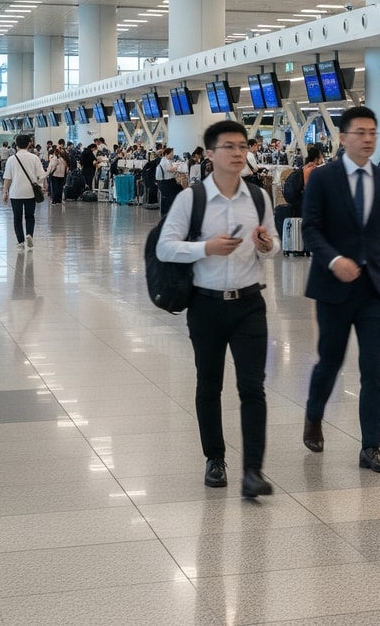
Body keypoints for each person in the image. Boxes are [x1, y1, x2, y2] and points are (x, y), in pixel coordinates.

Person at [156, 120, 278, 497]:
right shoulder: (190, 199)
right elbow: (164, 247)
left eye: (242, 146)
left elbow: (273, 247)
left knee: (252, 387)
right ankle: (215, 457)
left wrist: (264, 244)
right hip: (206, 305)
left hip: (249, 305)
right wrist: (204, 248)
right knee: (209, 385)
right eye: (229, 146)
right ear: (210, 154)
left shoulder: (258, 197)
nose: (238, 153)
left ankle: (253, 470)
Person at [300, 105, 380, 474]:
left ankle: (371, 447)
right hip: (333, 286)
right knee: (330, 360)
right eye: (360, 132)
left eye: (372, 132)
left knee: (374, 368)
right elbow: (310, 228)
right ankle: (314, 413)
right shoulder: (323, 178)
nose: (368, 139)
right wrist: (333, 260)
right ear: (343, 138)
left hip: (375, 288)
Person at [2, 135, 44, 250]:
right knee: (30, 216)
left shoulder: (11, 159)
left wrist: (5, 192)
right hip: (30, 192)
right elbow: (42, 175)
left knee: (17, 217)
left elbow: (7, 178)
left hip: (15, 193)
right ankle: (29, 234)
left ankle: (20, 242)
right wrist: (41, 186)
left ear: (16, 144)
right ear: (29, 144)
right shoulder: (34, 158)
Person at [155, 147, 182, 217]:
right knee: (178, 190)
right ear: (167, 154)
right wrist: (177, 167)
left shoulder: (167, 160)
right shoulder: (164, 162)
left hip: (168, 181)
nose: (173, 155)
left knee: (180, 188)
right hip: (165, 183)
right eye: (171, 154)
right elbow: (170, 170)